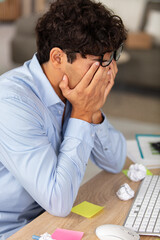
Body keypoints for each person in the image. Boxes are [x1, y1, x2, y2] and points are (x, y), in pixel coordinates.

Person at [0, 0, 127, 238]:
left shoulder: (76, 93)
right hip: (13, 230)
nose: (109, 70)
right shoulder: (11, 102)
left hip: (48, 220)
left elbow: (115, 161)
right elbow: (58, 201)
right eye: (100, 61)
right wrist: (81, 114)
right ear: (58, 58)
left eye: (112, 58)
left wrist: (93, 109)